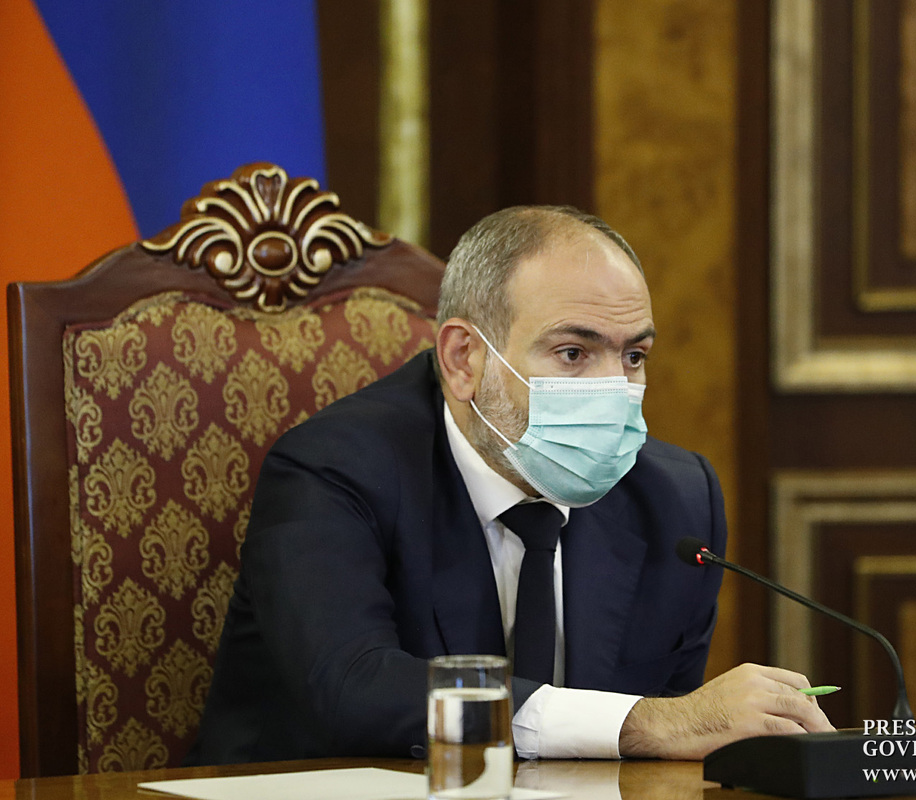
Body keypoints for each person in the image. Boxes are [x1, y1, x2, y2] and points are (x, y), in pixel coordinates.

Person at [187, 206, 832, 765]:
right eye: (574, 353)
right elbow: (352, 687)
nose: (615, 391)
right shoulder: (333, 468)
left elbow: (660, 754)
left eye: (633, 355)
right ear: (463, 360)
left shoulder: (675, 499)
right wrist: (641, 722)